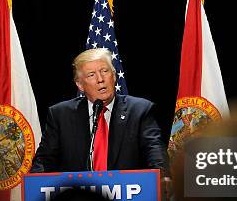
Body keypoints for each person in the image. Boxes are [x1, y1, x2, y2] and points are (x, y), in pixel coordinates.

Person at [32, 48, 168, 172]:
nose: (100, 79)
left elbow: (154, 150)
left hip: (126, 197)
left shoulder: (140, 110)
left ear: (114, 76)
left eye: (104, 71)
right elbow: (43, 162)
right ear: (80, 85)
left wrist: (162, 176)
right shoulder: (60, 115)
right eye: (91, 75)